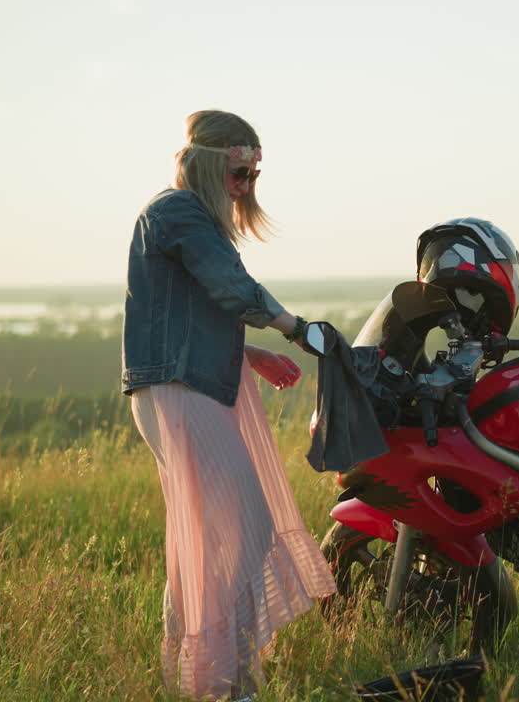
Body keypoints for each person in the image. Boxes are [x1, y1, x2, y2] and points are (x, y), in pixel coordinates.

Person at [121, 109, 336, 699]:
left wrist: (250, 356)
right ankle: (222, 680)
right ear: (211, 163)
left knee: (210, 533)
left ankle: (207, 677)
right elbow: (230, 289)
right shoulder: (179, 211)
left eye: (254, 176)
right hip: (179, 395)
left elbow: (186, 313)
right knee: (245, 523)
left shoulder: (186, 217)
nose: (246, 188)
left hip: (192, 387)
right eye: (240, 173)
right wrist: (297, 329)